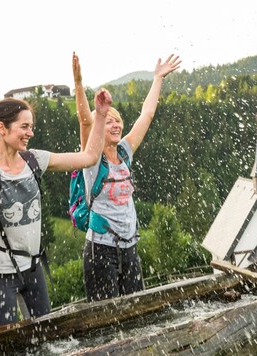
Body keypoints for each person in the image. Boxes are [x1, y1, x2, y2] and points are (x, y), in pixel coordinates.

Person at [0, 88, 112, 327]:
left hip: (33, 268)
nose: (31, 133)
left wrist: (100, 115)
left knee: (46, 339)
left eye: (31, 126)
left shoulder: (34, 159)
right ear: (2, 129)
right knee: (5, 346)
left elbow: (88, 157)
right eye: (24, 127)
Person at [72, 52, 181, 302]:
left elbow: (147, 115)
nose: (115, 126)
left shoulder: (125, 150)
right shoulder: (91, 158)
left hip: (129, 247)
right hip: (100, 250)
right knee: (106, 319)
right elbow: (85, 121)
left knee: (136, 312)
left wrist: (157, 79)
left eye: (118, 121)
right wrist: (78, 84)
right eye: (108, 122)